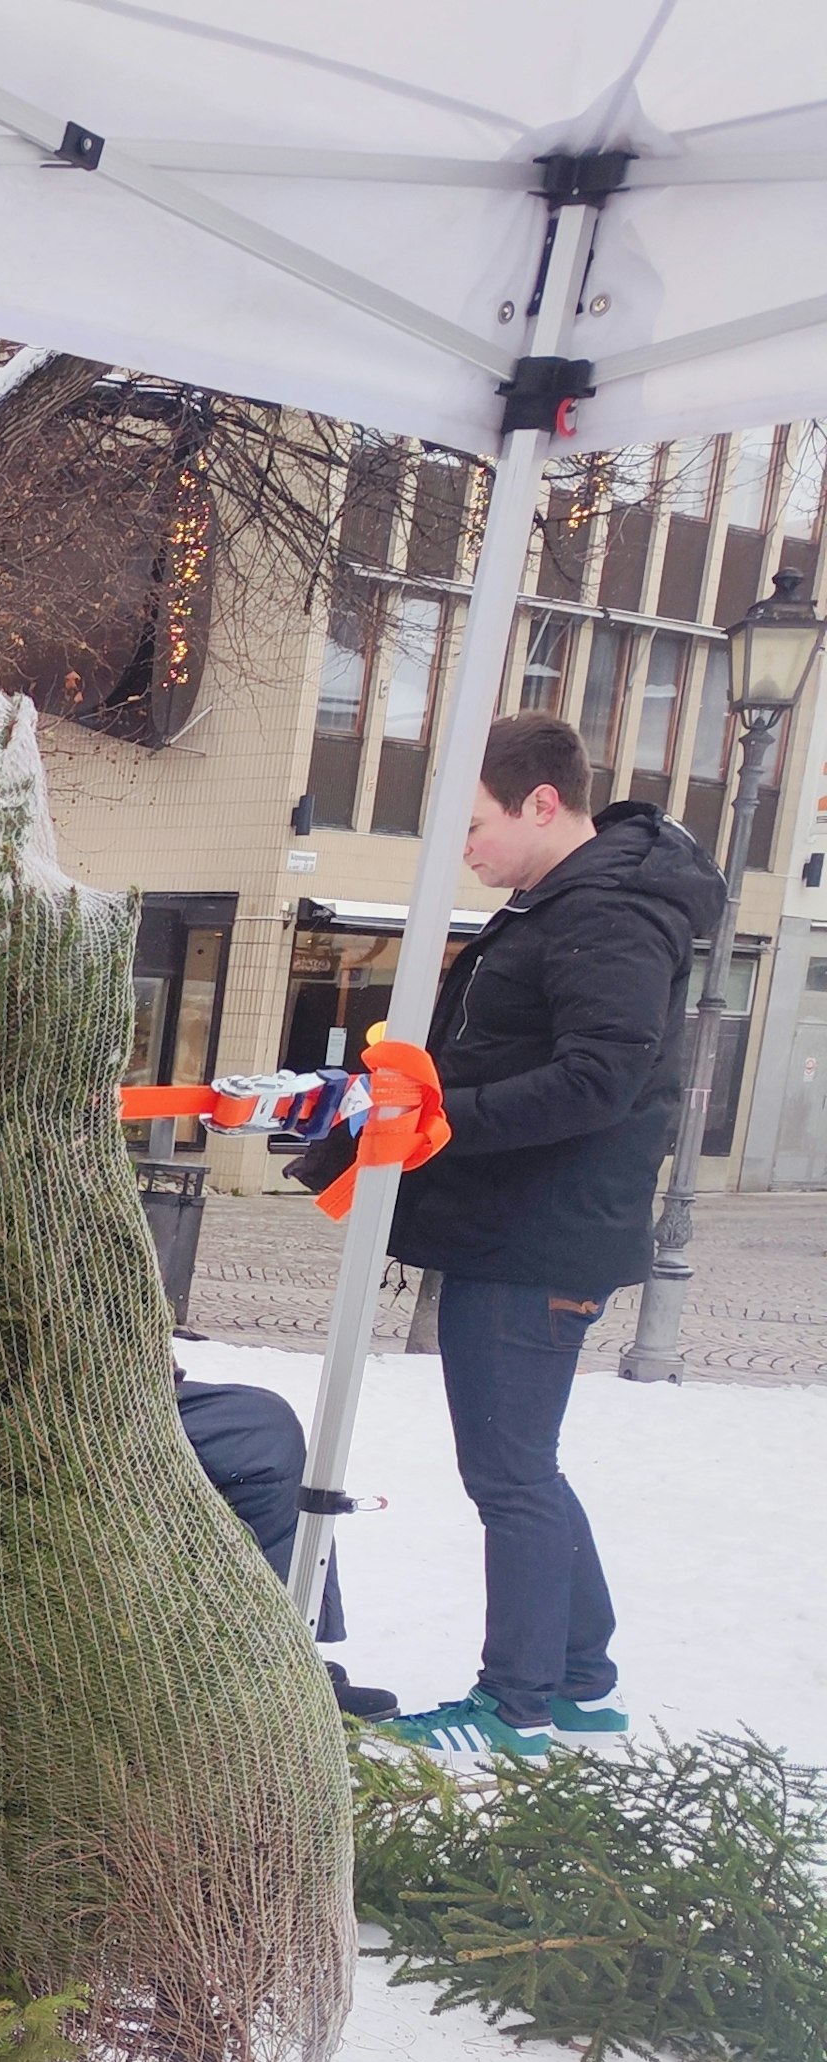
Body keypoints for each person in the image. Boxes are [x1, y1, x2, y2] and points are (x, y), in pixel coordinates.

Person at [378, 712, 718, 1758]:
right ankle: (578, 1676)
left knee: (510, 1475)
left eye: (474, 824)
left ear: (541, 803)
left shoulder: (605, 911)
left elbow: (598, 1078)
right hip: (525, 1226)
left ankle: (514, 1702)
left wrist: (442, 1124)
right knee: (526, 1465)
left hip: (539, 1235)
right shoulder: (569, 900)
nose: (464, 848)